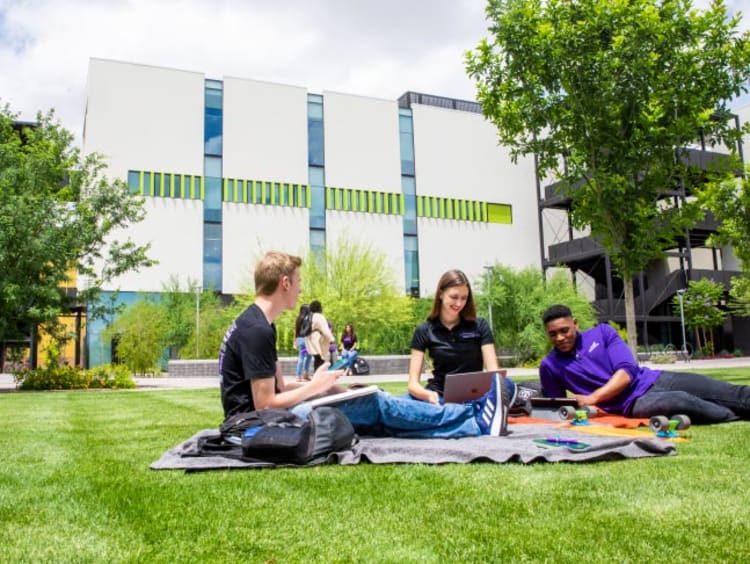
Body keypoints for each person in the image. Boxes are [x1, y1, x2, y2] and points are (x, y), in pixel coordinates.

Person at [218, 251, 512, 438]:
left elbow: (280, 389)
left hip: (262, 419)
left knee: (369, 404)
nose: (301, 288)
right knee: (375, 404)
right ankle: (473, 419)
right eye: (298, 281)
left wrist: (331, 387)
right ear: (284, 283)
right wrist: (316, 387)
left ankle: (469, 421)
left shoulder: (258, 323)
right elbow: (266, 403)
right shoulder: (257, 330)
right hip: (256, 426)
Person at [539, 304, 750, 424]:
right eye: (553, 334)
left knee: (730, 392)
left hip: (654, 379)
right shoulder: (549, 366)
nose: (559, 338)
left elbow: (627, 371)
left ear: (575, 323)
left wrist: (592, 398)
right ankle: (736, 416)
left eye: (564, 330)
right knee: (682, 400)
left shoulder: (603, 332)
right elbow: (556, 406)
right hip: (631, 404)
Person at [407, 269, 518, 407]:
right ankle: (462, 416)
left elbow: (494, 375)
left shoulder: (480, 325)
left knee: (508, 384)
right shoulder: (424, 330)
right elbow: (412, 384)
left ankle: (456, 416)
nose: (459, 303)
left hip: (477, 398)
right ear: (441, 294)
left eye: (464, 298)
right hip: (439, 398)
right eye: (454, 297)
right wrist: (428, 395)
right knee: (402, 401)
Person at [304, 300, 336, 372]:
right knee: (320, 361)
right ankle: (320, 378)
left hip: (309, 340)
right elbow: (325, 330)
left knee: (317, 359)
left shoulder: (308, 316)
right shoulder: (319, 316)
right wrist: (332, 340)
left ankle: (317, 376)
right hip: (317, 340)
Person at [293, 304, 312, 382]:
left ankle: (298, 376)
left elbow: (295, 331)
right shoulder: (308, 319)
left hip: (299, 339)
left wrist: (295, 342)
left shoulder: (298, 318)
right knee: (308, 356)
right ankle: (305, 374)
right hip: (306, 340)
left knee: (302, 357)